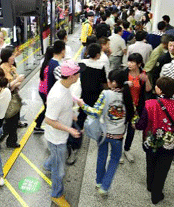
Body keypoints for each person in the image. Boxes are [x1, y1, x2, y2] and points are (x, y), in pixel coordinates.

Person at [76, 69, 135, 197]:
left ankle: (98, 182)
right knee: (114, 160)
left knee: (101, 157)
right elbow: (133, 115)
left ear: (113, 83)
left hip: (103, 134)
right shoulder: (127, 96)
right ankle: (105, 186)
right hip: (118, 136)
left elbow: (95, 112)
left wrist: (83, 105)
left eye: (108, 80)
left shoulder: (105, 94)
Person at [136, 77, 174, 205]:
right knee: (162, 169)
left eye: (156, 86)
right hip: (169, 145)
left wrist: (136, 123)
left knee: (150, 164)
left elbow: (141, 124)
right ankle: (156, 195)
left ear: (159, 90)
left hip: (151, 142)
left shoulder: (149, 104)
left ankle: (150, 185)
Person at [44, 61, 83, 207]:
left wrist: (76, 101)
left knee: (55, 159)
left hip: (60, 135)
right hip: (56, 139)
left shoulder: (64, 85)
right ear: (72, 76)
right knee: (59, 171)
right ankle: (56, 194)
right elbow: (48, 120)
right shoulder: (57, 96)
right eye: (78, 72)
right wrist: (70, 129)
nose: (79, 74)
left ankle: (47, 164)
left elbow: (67, 96)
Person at [123, 53, 152, 163]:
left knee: (132, 129)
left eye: (132, 62)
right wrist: (126, 83)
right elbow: (117, 86)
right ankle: (117, 151)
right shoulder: (124, 73)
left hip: (137, 108)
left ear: (139, 64)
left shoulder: (143, 74)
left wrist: (147, 79)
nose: (129, 64)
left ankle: (127, 149)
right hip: (124, 106)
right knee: (121, 129)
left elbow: (148, 90)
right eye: (129, 61)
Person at [34, 41, 66, 134]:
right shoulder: (52, 65)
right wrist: (49, 97)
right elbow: (50, 83)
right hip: (45, 91)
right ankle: (38, 124)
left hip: (42, 89)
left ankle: (38, 123)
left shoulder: (45, 63)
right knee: (48, 109)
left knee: (47, 108)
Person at [0, 47, 25, 148]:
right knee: (10, 121)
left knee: (14, 120)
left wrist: (14, 83)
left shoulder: (12, 67)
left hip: (13, 95)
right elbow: (5, 87)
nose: (14, 57)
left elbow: (17, 83)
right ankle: (1, 140)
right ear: (6, 57)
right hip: (7, 98)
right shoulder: (2, 69)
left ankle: (11, 140)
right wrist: (16, 81)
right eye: (12, 55)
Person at [77, 43, 107, 129]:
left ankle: (78, 131)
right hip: (96, 96)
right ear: (98, 55)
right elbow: (104, 82)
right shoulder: (100, 66)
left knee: (82, 115)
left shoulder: (82, 63)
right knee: (95, 114)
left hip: (84, 93)